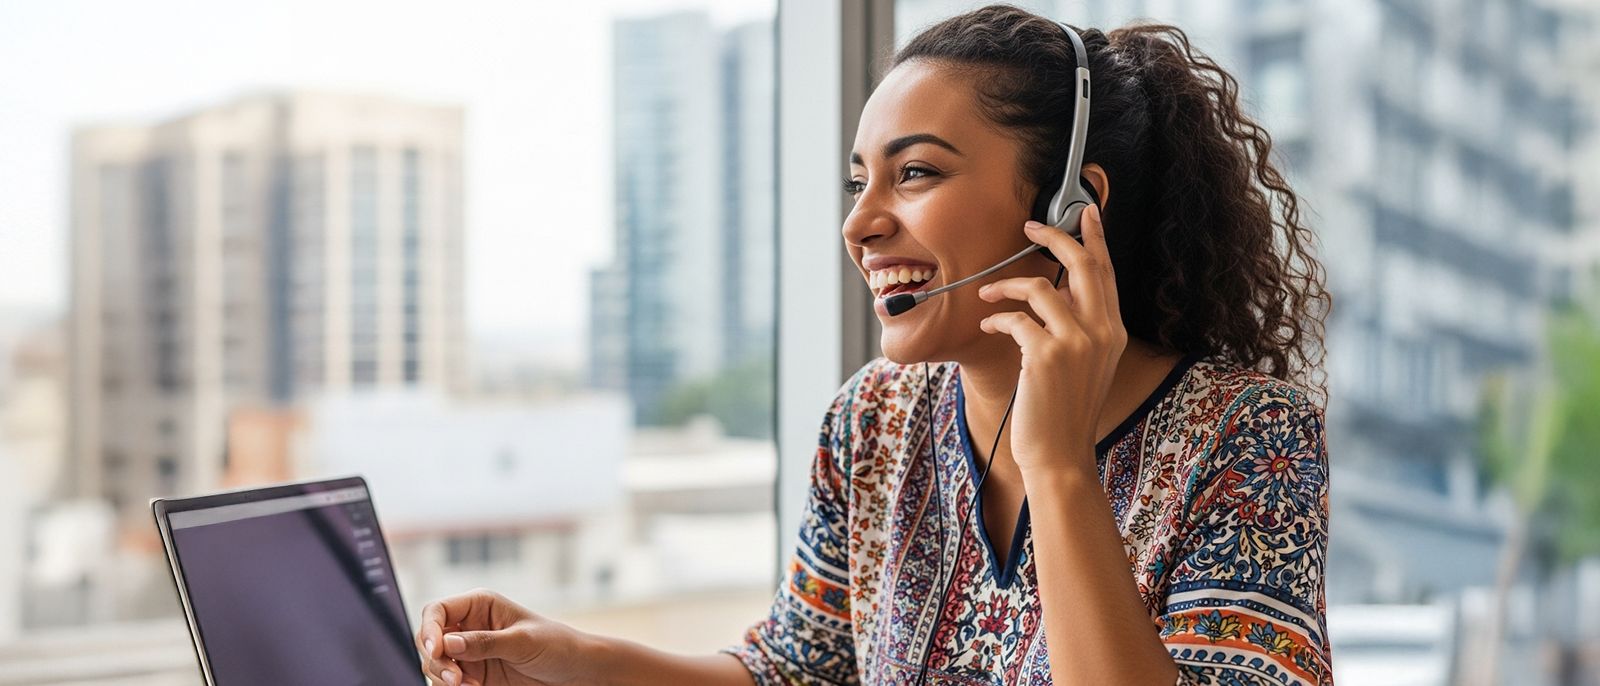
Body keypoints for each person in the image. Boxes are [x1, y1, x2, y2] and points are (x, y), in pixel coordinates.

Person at [415, 5, 1333, 685]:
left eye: (917, 173)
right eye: (859, 182)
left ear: (1070, 206)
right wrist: (563, 658)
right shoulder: (873, 420)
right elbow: (796, 673)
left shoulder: (1249, 439)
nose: (861, 224)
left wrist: (1055, 466)